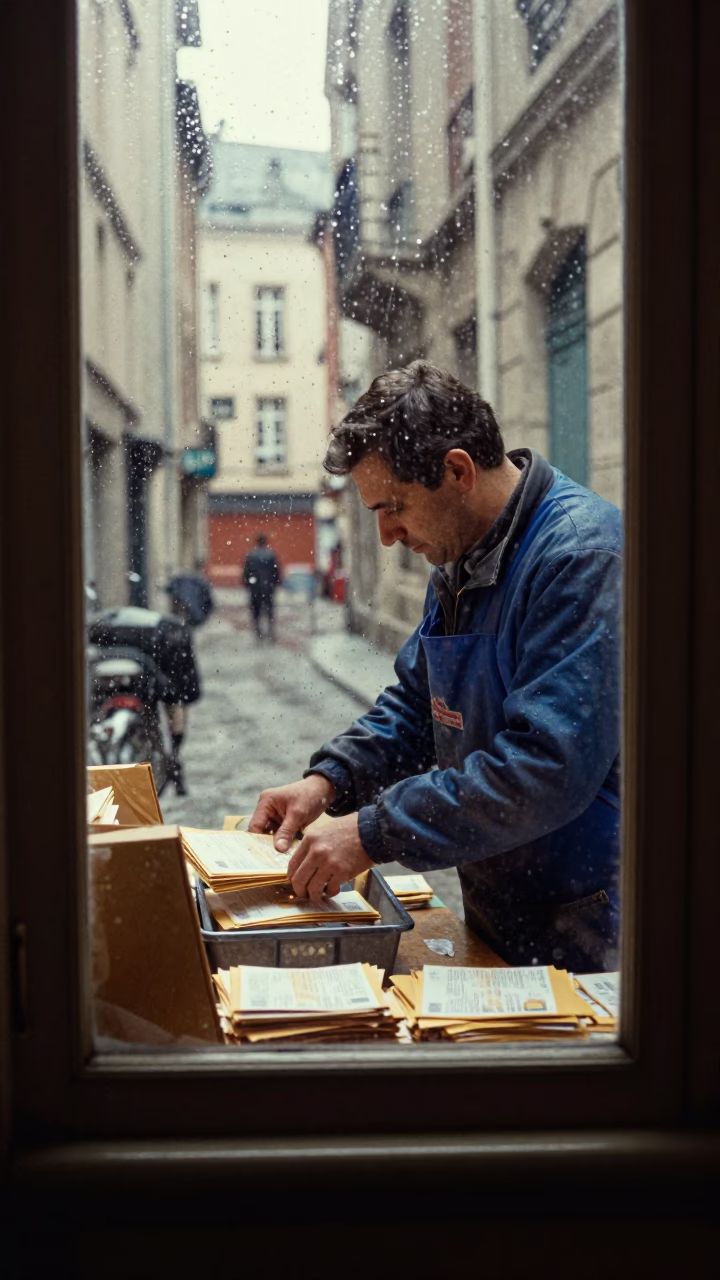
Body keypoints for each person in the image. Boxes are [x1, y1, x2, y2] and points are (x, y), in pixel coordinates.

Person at [249, 361, 622, 972]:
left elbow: (547, 767)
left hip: (592, 915)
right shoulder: (458, 552)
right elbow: (419, 707)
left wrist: (371, 834)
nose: (388, 534)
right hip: (505, 900)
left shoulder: (581, 557)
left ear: (457, 471)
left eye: (392, 505)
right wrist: (329, 781)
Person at [242, 534, 282, 640]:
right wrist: (276, 582)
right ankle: (270, 630)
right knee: (269, 609)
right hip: (268, 586)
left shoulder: (251, 555)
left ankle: (258, 631)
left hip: (255, 587)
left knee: (256, 610)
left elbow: (246, 572)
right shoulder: (271, 555)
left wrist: (247, 583)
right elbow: (276, 571)